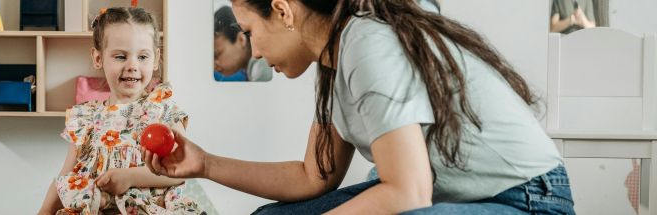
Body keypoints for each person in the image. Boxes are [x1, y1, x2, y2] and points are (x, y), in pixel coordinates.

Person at [146, 0, 575, 214]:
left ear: (282, 10)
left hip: (528, 199)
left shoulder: (366, 43)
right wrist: (204, 163)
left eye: (250, 31)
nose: (254, 51)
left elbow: (407, 192)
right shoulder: (333, 62)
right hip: (452, 195)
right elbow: (312, 177)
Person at [37, 7, 204, 215]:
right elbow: (65, 177)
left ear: (156, 59)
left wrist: (129, 177)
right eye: (120, 56)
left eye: (142, 57)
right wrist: (43, 211)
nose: (133, 65)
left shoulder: (163, 111)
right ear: (98, 58)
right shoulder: (85, 119)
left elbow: (181, 170)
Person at [214, 6, 273, 82]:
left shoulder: (261, 69)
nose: (214, 66)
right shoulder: (252, 70)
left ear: (241, 40)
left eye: (217, 54)